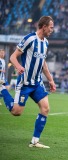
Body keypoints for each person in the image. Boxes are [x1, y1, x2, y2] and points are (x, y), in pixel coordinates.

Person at [0, 16, 56, 148]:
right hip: (24, 83)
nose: (52, 30)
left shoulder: (46, 43)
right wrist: (18, 67)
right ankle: (2, 89)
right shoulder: (29, 39)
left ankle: (35, 141)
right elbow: (13, 57)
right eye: (51, 27)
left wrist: (51, 81)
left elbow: (43, 64)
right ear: (44, 27)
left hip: (37, 83)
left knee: (45, 108)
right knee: (16, 112)